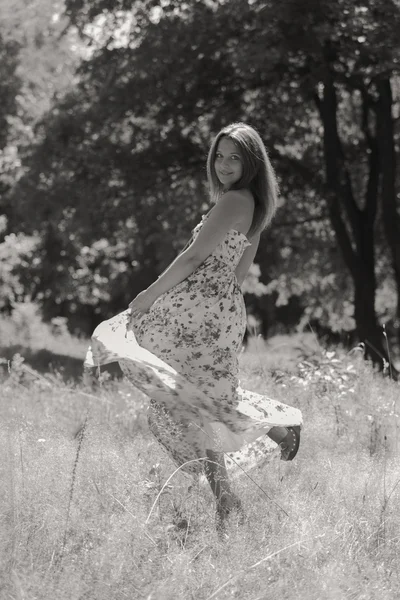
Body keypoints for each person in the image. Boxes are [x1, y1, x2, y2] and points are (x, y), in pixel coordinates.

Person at [85, 122, 302, 531]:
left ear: (251, 162)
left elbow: (191, 257)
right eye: (219, 156)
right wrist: (216, 307)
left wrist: (150, 296)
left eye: (234, 157)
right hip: (218, 309)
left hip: (196, 308)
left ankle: (263, 445)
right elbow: (239, 273)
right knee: (194, 402)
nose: (223, 164)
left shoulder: (232, 202)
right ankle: (228, 498)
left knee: (181, 398)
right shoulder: (255, 204)